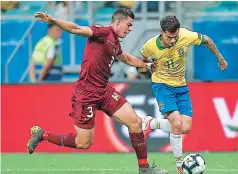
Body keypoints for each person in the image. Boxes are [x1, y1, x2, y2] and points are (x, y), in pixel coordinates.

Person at [27, 8, 168, 174]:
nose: (130, 29)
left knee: (136, 123)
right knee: (83, 143)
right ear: (118, 21)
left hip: (104, 91)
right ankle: (42, 134)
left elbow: (127, 58)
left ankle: (144, 169)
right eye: (128, 25)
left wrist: (146, 65)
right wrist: (53, 20)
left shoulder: (115, 43)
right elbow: (75, 29)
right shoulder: (102, 32)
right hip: (86, 93)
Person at [140, 15, 228, 173]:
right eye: (169, 37)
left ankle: (151, 123)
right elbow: (142, 59)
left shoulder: (186, 35)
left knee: (185, 127)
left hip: (181, 86)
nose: (173, 41)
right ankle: (180, 165)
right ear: (162, 32)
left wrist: (220, 58)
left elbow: (207, 39)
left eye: (175, 37)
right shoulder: (151, 45)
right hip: (162, 84)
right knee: (176, 124)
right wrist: (147, 66)